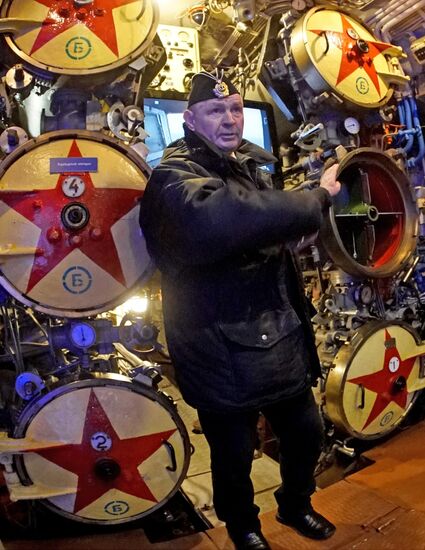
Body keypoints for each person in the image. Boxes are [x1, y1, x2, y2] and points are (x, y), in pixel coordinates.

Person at [139, 70, 341, 550]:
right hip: (217, 342)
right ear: (189, 118)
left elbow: (257, 218)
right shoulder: (173, 175)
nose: (230, 120)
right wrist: (315, 200)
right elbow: (225, 216)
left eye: (235, 109)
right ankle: (243, 525)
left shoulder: (248, 164)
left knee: (305, 432)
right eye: (215, 111)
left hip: (276, 330)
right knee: (233, 452)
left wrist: (287, 232)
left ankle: (296, 503)